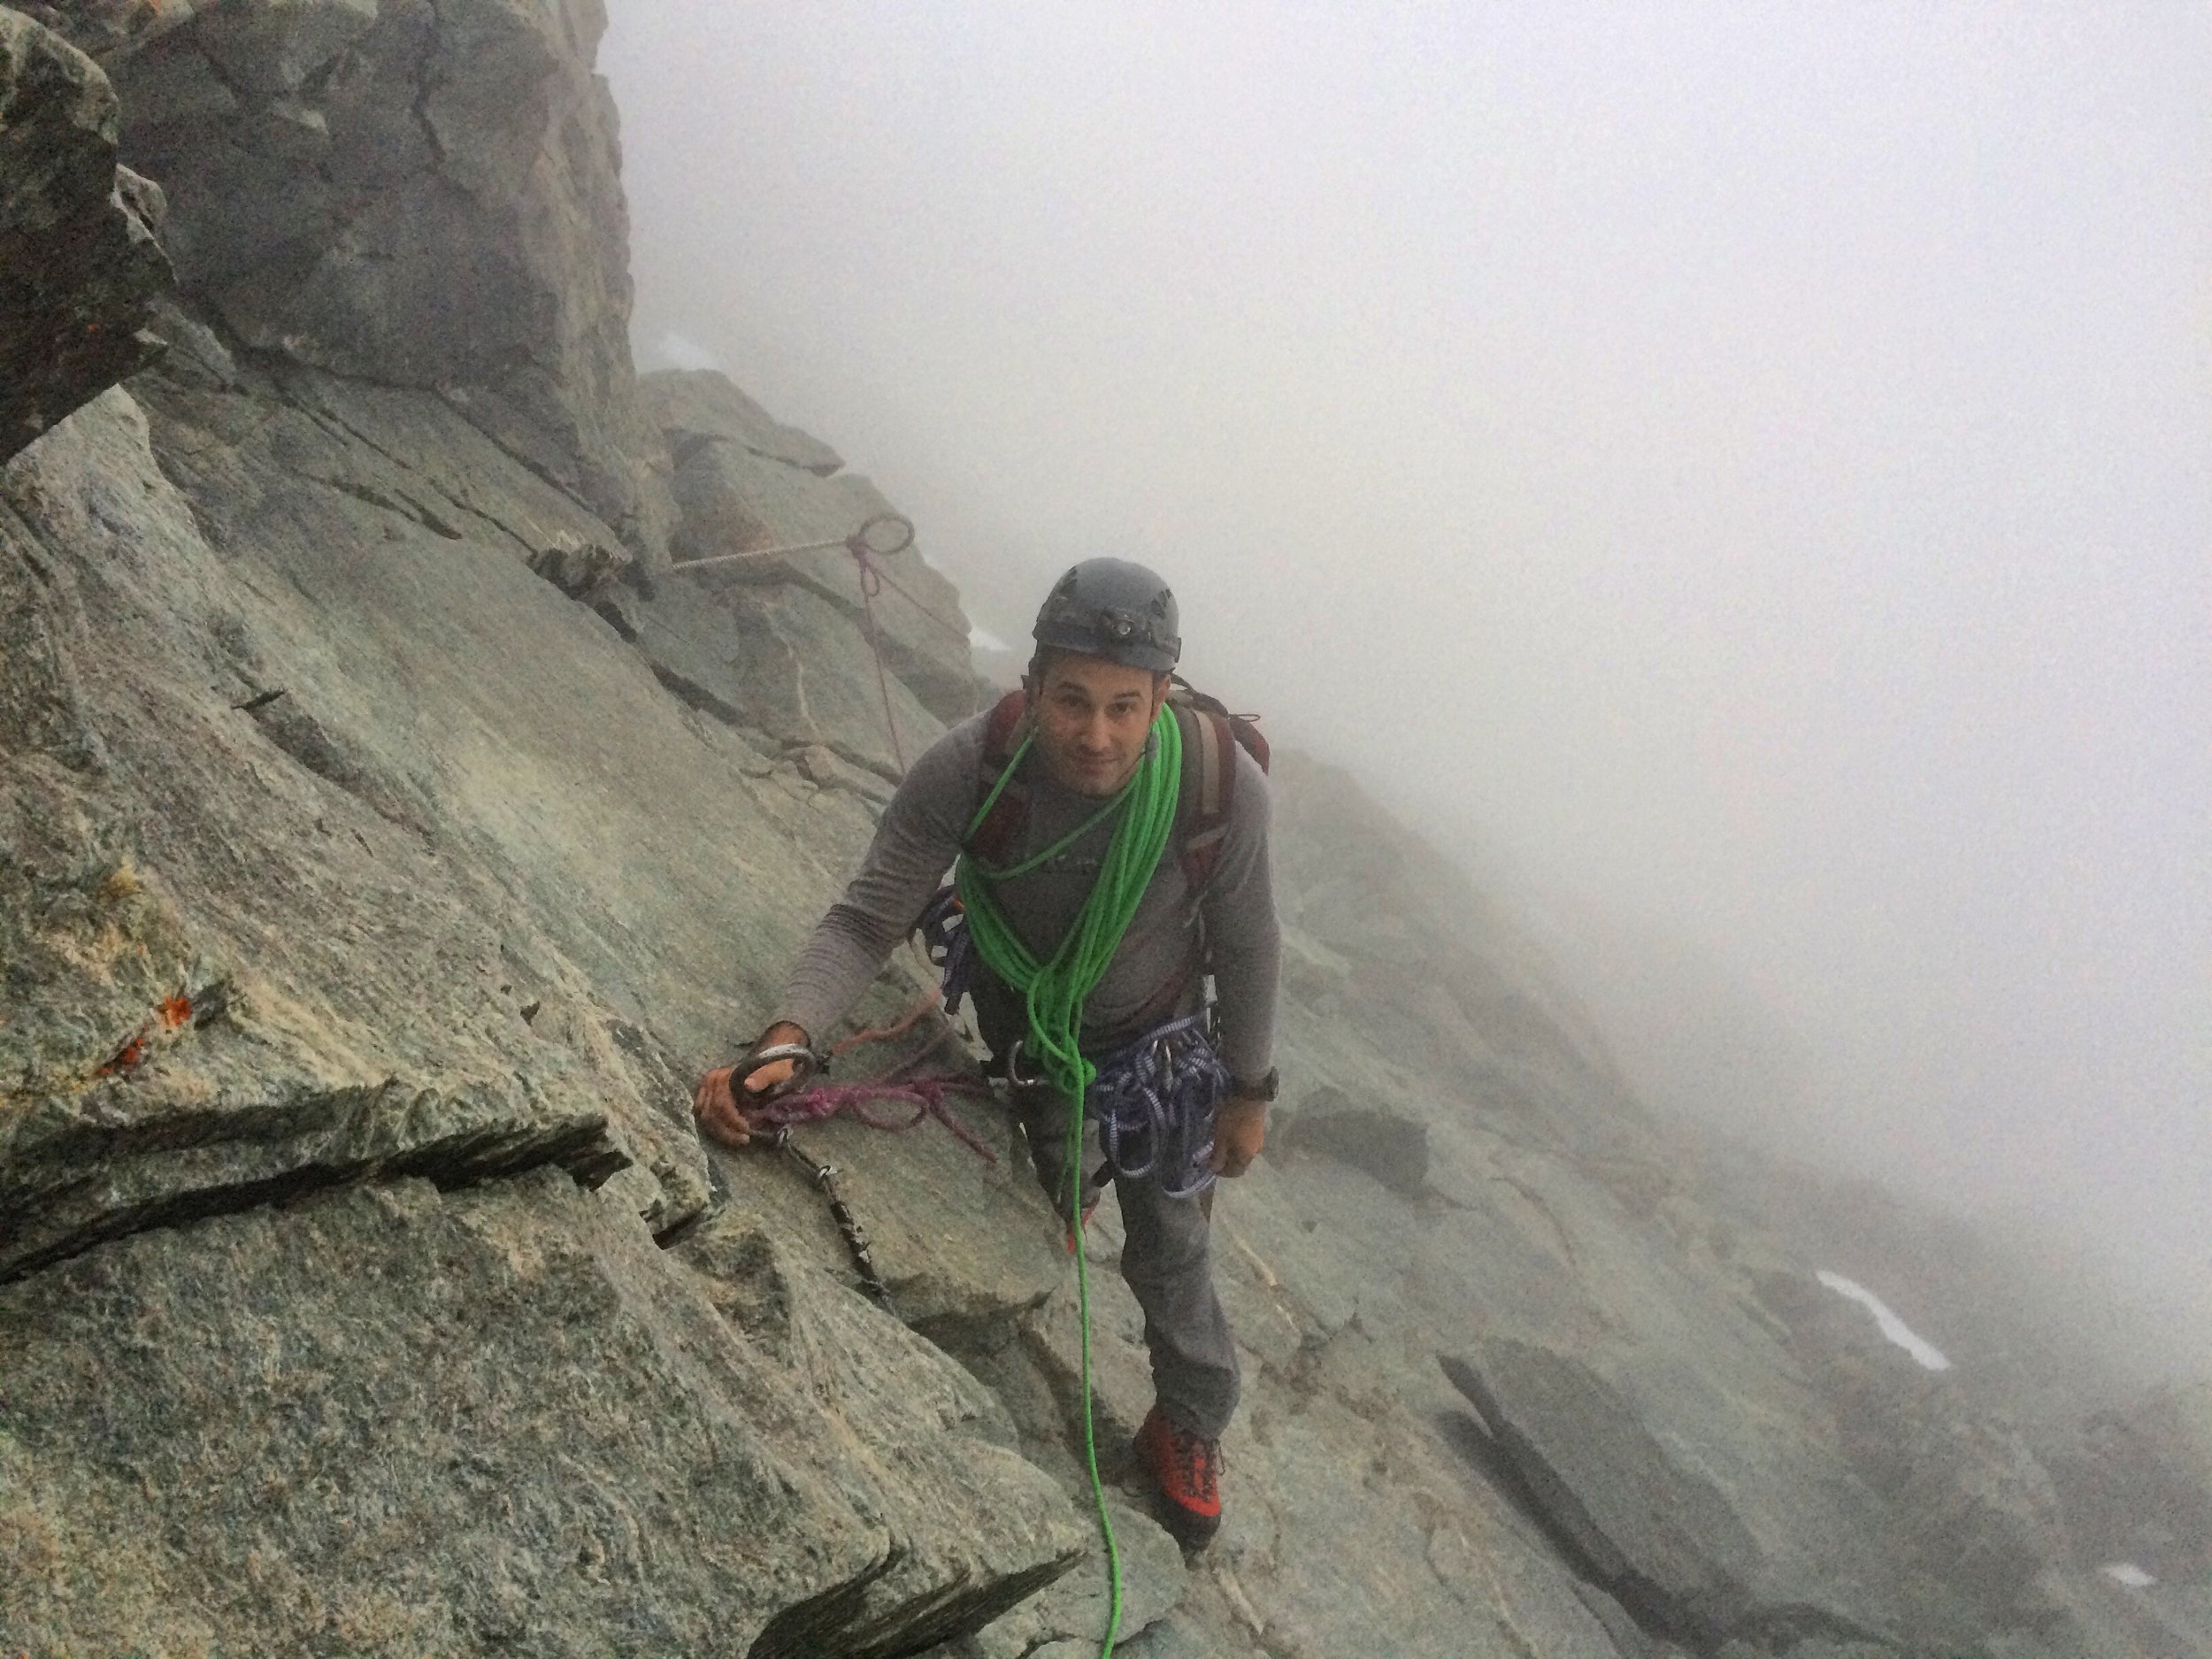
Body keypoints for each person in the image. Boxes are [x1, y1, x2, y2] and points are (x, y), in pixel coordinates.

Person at [694, 557, 1282, 1548]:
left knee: (1172, 1249)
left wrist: (1249, 1090)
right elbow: (864, 918)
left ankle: (1188, 1423)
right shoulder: (970, 766)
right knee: (1048, 1164)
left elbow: (1250, 941)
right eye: (1072, 701)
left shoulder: (1221, 788)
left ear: (1161, 701)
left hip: (1162, 1047)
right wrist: (788, 1037)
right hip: (1031, 1026)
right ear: (1032, 685)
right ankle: (1065, 1189)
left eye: (1123, 708)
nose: (1095, 734)